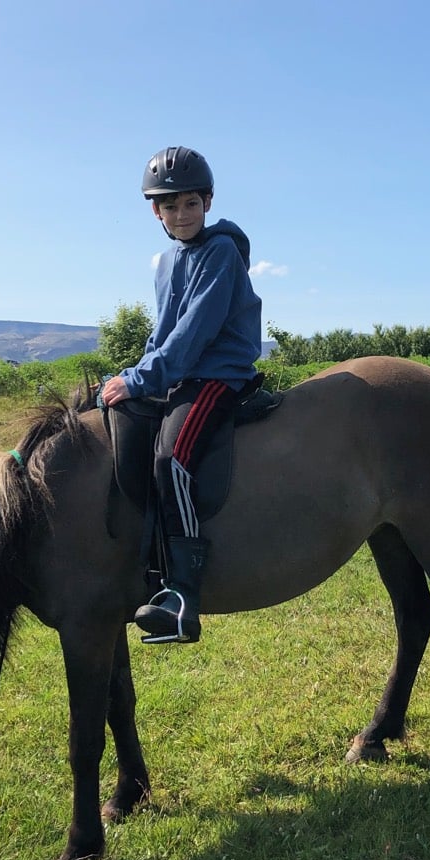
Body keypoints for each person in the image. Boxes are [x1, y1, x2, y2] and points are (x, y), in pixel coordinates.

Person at [101, 146, 263, 641]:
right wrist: (133, 373)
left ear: (208, 202)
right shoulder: (167, 261)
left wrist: (143, 378)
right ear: (155, 212)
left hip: (217, 374)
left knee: (172, 457)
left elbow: (194, 333)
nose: (181, 214)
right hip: (180, 373)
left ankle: (183, 594)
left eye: (190, 203)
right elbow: (163, 334)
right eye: (169, 206)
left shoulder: (220, 252)